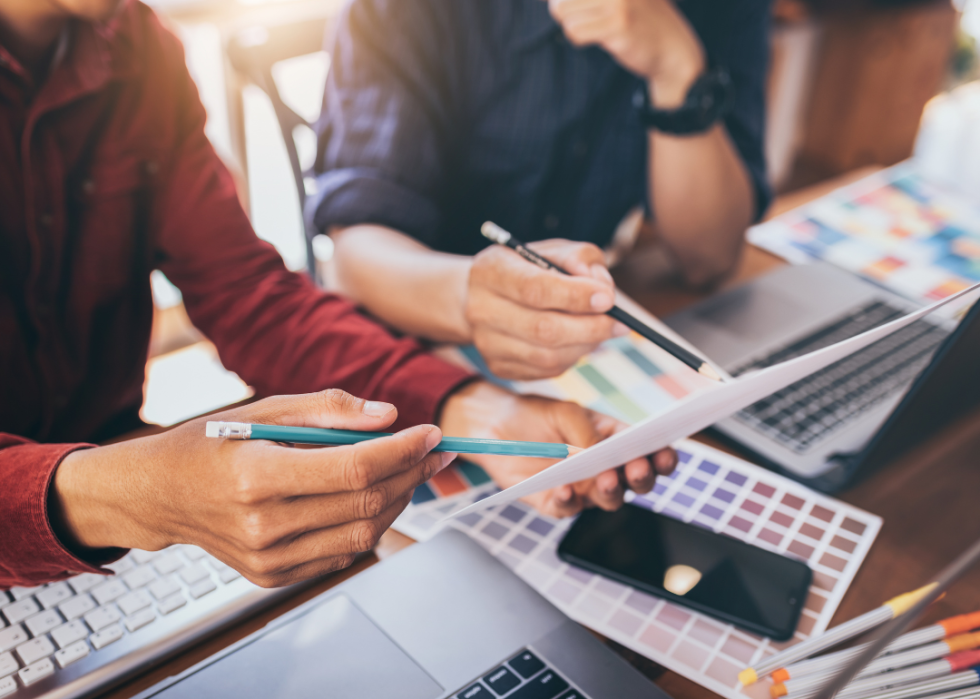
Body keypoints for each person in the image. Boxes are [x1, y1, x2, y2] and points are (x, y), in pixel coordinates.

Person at [0, 0, 676, 589]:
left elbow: (250, 295)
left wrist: (475, 406)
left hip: (115, 542)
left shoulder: (140, 50)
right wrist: (131, 495)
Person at [311, 0, 771, 381]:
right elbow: (352, 257)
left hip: (575, 350)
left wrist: (675, 70)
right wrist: (473, 300)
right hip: (406, 351)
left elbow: (709, 257)